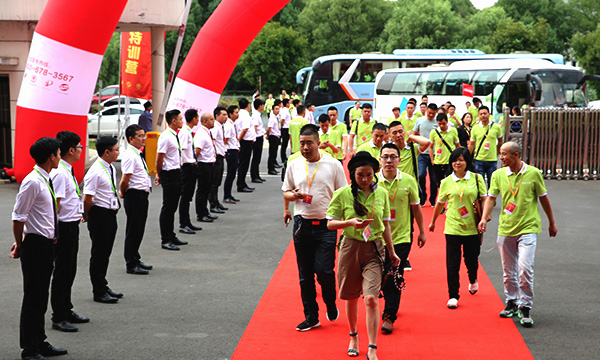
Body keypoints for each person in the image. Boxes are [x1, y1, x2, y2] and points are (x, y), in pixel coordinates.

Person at [327, 151, 400, 360]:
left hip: (375, 248)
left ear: (374, 173)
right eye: (360, 175)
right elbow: (330, 223)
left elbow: (385, 224)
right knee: (350, 297)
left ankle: (373, 347)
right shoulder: (342, 194)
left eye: (369, 174)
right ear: (352, 174)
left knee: (371, 298)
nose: (366, 179)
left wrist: (392, 252)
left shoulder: (382, 193)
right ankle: (353, 336)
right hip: (350, 246)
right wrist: (348, 223)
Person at [478, 142, 557, 328]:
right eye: (500, 154)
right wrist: (483, 217)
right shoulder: (498, 175)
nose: (501, 158)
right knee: (508, 271)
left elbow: (544, 198)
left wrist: (551, 223)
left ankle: (525, 306)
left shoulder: (533, 173)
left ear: (516, 155)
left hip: (528, 228)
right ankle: (512, 302)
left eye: (504, 154)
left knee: (524, 269)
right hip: (505, 229)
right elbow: (491, 197)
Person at [282, 124, 347, 332]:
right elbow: (286, 192)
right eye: (302, 143)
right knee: (305, 275)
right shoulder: (294, 165)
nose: (305, 147)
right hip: (302, 225)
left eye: (309, 143)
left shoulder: (333, 165)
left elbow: (343, 194)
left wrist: (345, 224)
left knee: (325, 271)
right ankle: (311, 316)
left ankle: (330, 302)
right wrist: (293, 197)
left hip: (327, 225)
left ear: (319, 143)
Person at [11, 137, 69, 359]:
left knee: (41, 296)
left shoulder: (46, 178)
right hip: (35, 245)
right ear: (51, 156)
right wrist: (20, 243)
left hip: (46, 244)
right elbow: (18, 217)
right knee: (33, 297)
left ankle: (40, 341)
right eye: (57, 153)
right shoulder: (33, 181)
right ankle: (29, 348)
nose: (60, 156)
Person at [429, 148, 487, 309]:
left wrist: (484, 218)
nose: (457, 163)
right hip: (452, 227)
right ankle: (453, 295)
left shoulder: (476, 178)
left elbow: (485, 198)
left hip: (472, 227)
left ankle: (473, 278)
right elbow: (440, 203)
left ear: (467, 162)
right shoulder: (446, 181)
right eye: (455, 160)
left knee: (471, 259)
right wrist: (433, 221)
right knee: (452, 263)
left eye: (461, 159)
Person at [377, 143, 426, 334]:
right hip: (376, 237)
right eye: (385, 156)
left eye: (393, 156)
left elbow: (416, 207)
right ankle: (384, 294)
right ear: (380, 159)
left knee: (395, 275)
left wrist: (421, 230)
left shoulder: (408, 181)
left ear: (399, 159)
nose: (389, 160)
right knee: (379, 275)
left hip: (401, 237)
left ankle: (389, 315)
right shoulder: (372, 180)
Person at [47, 131, 88, 333]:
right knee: (62, 272)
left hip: (72, 224)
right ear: (71, 150)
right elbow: (56, 206)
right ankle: (59, 316)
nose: (82, 149)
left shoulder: (67, 169)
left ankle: (67, 308)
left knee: (70, 269)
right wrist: (55, 233)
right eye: (79, 146)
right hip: (63, 227)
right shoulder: (60, 173)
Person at [83, 136, 123, 303]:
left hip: (110, 213)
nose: (118, 152)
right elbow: (87, 198)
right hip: (99, 215)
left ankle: (103, 284)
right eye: (116, 149)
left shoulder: (110, 168)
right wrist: (86, 215)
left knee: (106, 252)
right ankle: (98, 290)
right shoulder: (95, 171)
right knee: (99, 253)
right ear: (106, 152)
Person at [119, 124, 153, 276]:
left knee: (139, 228)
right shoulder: (130, 155)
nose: (143, 138)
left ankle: (136, 258)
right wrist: (123, 192)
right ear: (131, 139)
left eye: (144, 135)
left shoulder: (137, 153)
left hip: (141, 195)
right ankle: (131, 263)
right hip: (134, 195)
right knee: (133, 229)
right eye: (140, 136)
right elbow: (125, 179)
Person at [156, 109, 188, 251]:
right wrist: (159, 173)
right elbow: (159, 159)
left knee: (173, 206)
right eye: (180, 119)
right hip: (168, 174)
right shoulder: (166, 136)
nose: (182, 121)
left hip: (176, 172)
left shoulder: (174, 135)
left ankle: (171, 235)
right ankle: (166, 239)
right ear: (173, 121)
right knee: (168, 207)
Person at [178, 109, 203, 234]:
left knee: (188, 197)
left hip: (191, 165)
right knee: (185, 196)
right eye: (197, 117)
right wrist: (183, 167)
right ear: (194, 118)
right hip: (187, 167)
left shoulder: (188, 131)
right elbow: (181, 151)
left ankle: (187, 221)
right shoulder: (184, 133)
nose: (198, 120)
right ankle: (183, 223)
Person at [468, 106, 503, 187]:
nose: (483, 115)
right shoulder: (475, 128)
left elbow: (500, 141)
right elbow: (472, 144)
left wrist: (497, 154)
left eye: (485, 113)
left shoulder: (496, 127)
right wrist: (468, 156)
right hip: (479, 159)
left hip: (492, 160)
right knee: (480, 185)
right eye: (481, 114)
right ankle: (482, 199)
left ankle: (491, 199)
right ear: (478, 115)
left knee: (492, 184)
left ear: (489, 114)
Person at [413, 103, 439, 206]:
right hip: (422, 153)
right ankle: (422, 197)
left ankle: (433, 200)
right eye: (429, 113)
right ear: (426, 111)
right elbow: (415, 134)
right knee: (421, 174)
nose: (431, 115)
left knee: (434, 178)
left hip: (435, 154)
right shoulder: (420, 120)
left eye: (433, 113)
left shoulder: (438, 121)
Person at [194, 112, 218, 222]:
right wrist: (197, 163)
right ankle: (201, 213)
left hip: (210, 164)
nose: (213, 121)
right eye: (211, 119)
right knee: (202, 190)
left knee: (207, 189)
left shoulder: (207, 132)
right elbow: (197, 150)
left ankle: (205, 211)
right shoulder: (201, 133)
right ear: (205, 122)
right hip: (204, 165)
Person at [429, 113, 460, 189]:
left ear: (447, 122)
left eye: (443, 123)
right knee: (439, 183)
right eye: (439, 124)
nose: (442, 126)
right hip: (438, 161)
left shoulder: (453, 131)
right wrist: (432, 160)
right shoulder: (433, 132)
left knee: (450, 181)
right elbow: (430, 147)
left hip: (450, 161)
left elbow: (457, 145)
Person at [209, 106, 229, 213]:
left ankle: (216, 202)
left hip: (221, 156)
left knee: (217, 181)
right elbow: (212, 142)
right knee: (214, 182)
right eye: (223, 115)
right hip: (217, 157)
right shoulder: (215, 127)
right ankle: (213, 204)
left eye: (226, 115)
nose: (226, 117)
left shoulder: (220, 126)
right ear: (217, 116)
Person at [236, 98, 256, 193]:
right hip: (245, 142)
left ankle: (242, 183)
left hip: (244, 141)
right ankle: (241, 184)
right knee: (244, 164)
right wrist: (239, 140)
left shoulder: (240, 114)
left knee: (243, 163)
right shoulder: (245, 115)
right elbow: (244, 129)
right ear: (248, 105)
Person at [223, 105, 241, 204]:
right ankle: (226, 195)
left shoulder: (232, 124)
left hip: (234, 149)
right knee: (230, 174)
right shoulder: (228, 125)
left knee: (233, 174)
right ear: (231, 114)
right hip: (230, 151)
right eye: (236, 112)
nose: (237, 114)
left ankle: (229, 194)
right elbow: (225, 140)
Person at [250, 98, 267, 183]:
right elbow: (255, 128)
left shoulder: (258, 114)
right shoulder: (255, 115)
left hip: (259, 137)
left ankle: (257, 175)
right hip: (257, 138)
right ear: (260, 106)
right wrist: (254, 138)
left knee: (258, 158)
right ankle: (254, 176)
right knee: (256, 158)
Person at [266, 102, 281, 175]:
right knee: (272, 153)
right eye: (276, 109)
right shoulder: (272, 118)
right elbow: (269, 128)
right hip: (273, 136)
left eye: (278, 109)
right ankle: (270, 168)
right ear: (272, 110)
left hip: (276, 136)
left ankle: (272, 168)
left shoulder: (276, 117)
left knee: (274, 153)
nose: (278, 110)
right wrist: (267, 135)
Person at [279, 98, 292, 164]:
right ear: (286, 104)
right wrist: (281, 127)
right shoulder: (284, 111)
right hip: (285, 128)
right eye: (289, 103)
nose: (289, 104)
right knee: (284, 143)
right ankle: (283, 157)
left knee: (286, 143)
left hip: (287, 128)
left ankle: (284, 156)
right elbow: (282, 120)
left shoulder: (286, 110)